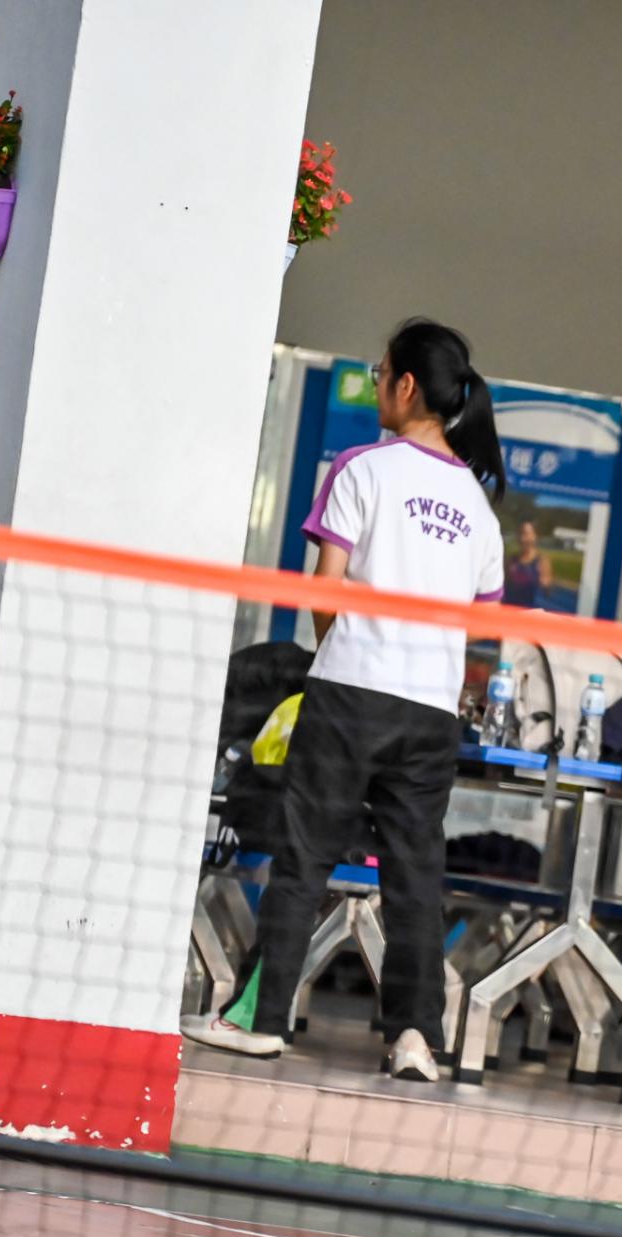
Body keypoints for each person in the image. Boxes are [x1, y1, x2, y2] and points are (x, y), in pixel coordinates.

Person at [182, 318, 506, 1083]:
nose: (375, 384)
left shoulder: (362, 468)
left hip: (351, 693)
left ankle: (260, 1019)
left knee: (304, 857)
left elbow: (324, 592)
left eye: (380, 372)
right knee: (415, 876)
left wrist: (341, 651)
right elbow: (482, 628)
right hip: (431, 713)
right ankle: (415, 1036)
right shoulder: (477, 504)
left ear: (405, 386)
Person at [502, 520, 553, 607]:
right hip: (509, 611)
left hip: (529, 612)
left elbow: (548, 594)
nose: (522, 538)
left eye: (526, 534)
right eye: (520, 533)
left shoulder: (542, 562)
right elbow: (502, 588)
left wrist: (546, 586)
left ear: (535, 536)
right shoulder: (511, 561)